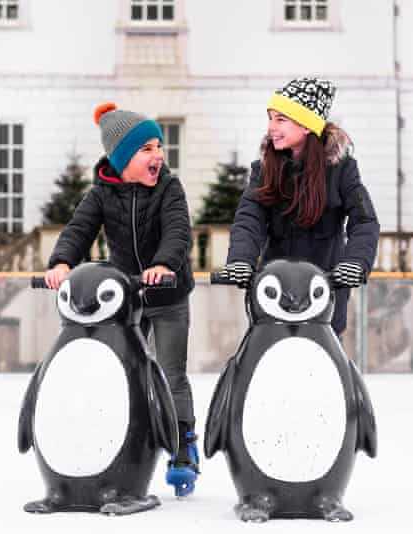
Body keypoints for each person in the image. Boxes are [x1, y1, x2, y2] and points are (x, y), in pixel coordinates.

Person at [45, 103, 200, 495]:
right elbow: (79, 229)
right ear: (122, 158)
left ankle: (183, 447)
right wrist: (63, 262)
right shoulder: (101, 194)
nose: (158, 156)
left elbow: (178, 231)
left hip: (168, 295)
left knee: (170, 371)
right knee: (125, 374)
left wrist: (165, 264)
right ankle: (129, 440)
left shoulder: (169, 188)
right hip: (128, 301)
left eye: (159, 147)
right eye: (146, 149)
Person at [223, 77, 380, 334]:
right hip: (275, 289)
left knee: (327, 365)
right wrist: (241, 260)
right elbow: (249, 218)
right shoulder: (264, 171)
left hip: (323, 291)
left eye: (280, 119)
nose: (271, 127)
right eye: (270, 118)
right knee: (260, 360)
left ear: (307, 125)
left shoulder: (342, 170)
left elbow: (364, 221)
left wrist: (355, 263)